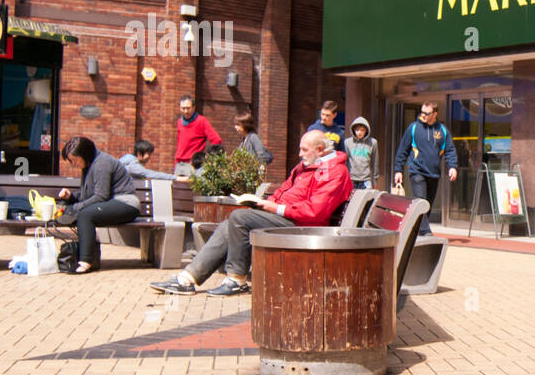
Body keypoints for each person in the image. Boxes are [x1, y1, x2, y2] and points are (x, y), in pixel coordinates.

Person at [150, 129, 352, 296]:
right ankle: (188, 278)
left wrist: (276, 208)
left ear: (320, 150)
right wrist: (266, 202)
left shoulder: (334, 171)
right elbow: (284, 191)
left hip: (307, 227)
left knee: (239, 218)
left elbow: (316, 211)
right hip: (289, 218)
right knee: (230, 222)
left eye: (304, 150)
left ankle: (237, 279)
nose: (300, 154)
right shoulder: (304, 167)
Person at [57, 136, 140, 274]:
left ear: (85, 154)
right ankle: (86, 259)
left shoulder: (102, 163)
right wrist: (71, 197)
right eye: (72, 161)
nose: (74, 164)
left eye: (75, 160)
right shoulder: (90, 165)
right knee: (84, 213)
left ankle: (85, 261)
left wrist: (74, 208)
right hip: (112, 202)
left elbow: (101, 197)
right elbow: (89, 197)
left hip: (126, 203)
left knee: (85, 215)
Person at [393, 102, 457, 236]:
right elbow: (403, 150)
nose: (423, 115)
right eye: (422, 112)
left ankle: (416, 230)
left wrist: (452, 167)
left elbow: (450, 150)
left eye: (427, 113)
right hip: (417, 171)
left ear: (435, 114)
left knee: (427, 205)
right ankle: (426, 231)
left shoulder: (442, 130)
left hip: (434, 173)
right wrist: (398, 170)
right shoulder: (414, 128)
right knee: (421, 201)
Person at [174, 96, 221, 177]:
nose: (185, 111)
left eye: (188, 108)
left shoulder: (201, 121)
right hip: (179, 164)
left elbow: (216, 140)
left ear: (193, 107)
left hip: (192, 164)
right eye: (183, 108)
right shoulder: (179, 122)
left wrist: (204, 158)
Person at [344, 116, 378, 189]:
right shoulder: (347, 142)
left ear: (366, 130)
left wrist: (375, 180)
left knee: (367, 199)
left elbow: (375, 162)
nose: (359, 132)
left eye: (362, 130)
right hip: (352, 179)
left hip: (366, 179)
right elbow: (345, 162)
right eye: (357, 130)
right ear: (353, 130)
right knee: (352, 199)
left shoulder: (373, 142)